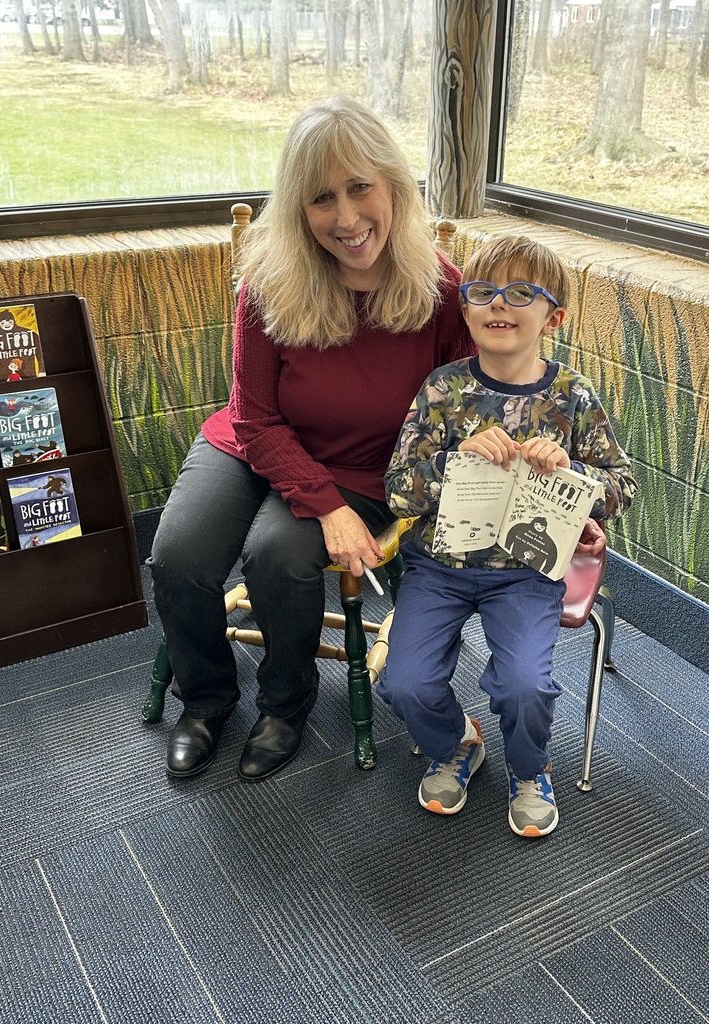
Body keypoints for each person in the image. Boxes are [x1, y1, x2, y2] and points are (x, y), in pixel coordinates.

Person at [147, 96, 473, 782]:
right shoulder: (270, 280)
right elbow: (256, 419)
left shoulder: (441, 288)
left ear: (393, 185)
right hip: (251, 442)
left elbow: (468, 411)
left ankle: (284, 705)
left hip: (363, 461)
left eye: (361, 188)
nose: (348, 218)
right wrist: (324, 506)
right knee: (177, 555)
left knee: (276, 558)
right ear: (299, 209)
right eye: (323, 198)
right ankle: (205, 701)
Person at [377, 234, 637, 837]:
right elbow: (397, 488)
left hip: (526, 569)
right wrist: (456, 460)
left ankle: (529, 769)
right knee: (405, 683)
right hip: (441, 564)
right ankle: (456, 746)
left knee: (524, 684)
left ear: (555, 316)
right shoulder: (443, 389)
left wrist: (572, 471)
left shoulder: (572, 396)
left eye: (522, 292)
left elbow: (622, 485)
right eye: (483, 292)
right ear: (465, 309)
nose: (500, 304)